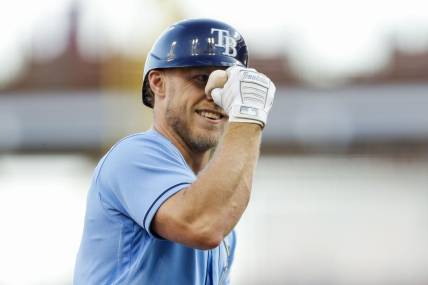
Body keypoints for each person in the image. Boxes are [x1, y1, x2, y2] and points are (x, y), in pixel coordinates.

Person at [73, 18, 275, 285]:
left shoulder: (219, 208)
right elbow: (202, 225)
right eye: (201, 78)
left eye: (225, 87)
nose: (214, 96)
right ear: (158, 83)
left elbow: (211, 217)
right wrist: (249, 116)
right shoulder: (133, 156)